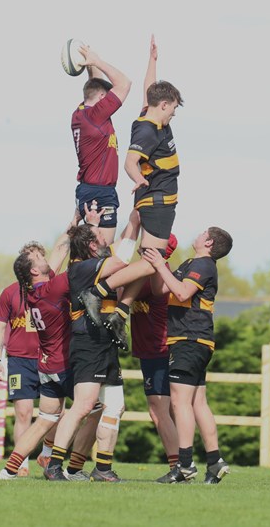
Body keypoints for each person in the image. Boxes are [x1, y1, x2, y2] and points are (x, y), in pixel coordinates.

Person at [78, 35, 184, 347]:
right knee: (153, 261)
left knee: (150, 260)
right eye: (172, 109)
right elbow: (129, 162)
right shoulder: (149, 131)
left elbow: (149, 91)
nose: (173, 114)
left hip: (154, 201)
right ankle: (97, 291)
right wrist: (138, 178)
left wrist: (152, 61)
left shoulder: (149, 116)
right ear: (164, 105)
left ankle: (120, 312)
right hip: (157, 202)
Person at [0, 207, 102, 481]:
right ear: (34, 270)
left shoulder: (36, 290)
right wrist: (91, 230)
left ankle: (9, 469)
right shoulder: (53, 288)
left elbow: (59, 250)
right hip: (63, 363)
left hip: (46, 364)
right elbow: (79, 266)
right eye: (39, 258)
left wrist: (74, 222)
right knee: (93, 409)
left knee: (45, 419)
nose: (45, 257)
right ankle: (71, 467)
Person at [43, 208, 140, 482]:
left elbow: (120, 251)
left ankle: (103, 468)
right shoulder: (82, 268)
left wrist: (104, 224)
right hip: (89, 342)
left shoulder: (94, 261)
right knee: (83, 406)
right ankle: (53, 465)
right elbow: (122, 259)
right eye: (100, 236)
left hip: (105, 341)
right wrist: (135, 223)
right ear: (90, 246)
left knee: (115, 406)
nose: (106, 239)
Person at [142, 227, 233, 484]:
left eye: (203, 232)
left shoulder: (203, 265)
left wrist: (160, 265)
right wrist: (157, 264)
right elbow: (161, 290)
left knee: (179, 403)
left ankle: (184, 464)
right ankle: (215, 462)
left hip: (189, 340)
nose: (198, 233)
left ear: (209, 242)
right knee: (197, 403)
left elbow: (182, 292)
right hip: (194, 341)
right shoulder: (191, 263)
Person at [0, 260, 52, 477]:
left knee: (57, 412)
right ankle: (21, 463)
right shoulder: (9, 293)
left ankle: (46, 454)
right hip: (18, 360)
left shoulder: (51, 288)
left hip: (48, 358)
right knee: (23, 412)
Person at [72, 44, 132, 245]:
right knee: (101, 254)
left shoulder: (81, 113)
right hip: (99, 193)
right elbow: (124, 83)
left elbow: (94, 84)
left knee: (91, 252)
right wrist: (98, 61)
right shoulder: (96, 116)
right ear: (102, 99)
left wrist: (91, 64)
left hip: (89, 190)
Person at [130, 234, 179, 472]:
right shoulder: (155, 273)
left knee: (157, 410)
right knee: (169, 410)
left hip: (158, 351)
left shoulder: (153, 276)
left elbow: (117, 288)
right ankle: (184, 462)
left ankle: (177, 466)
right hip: (152, 351)